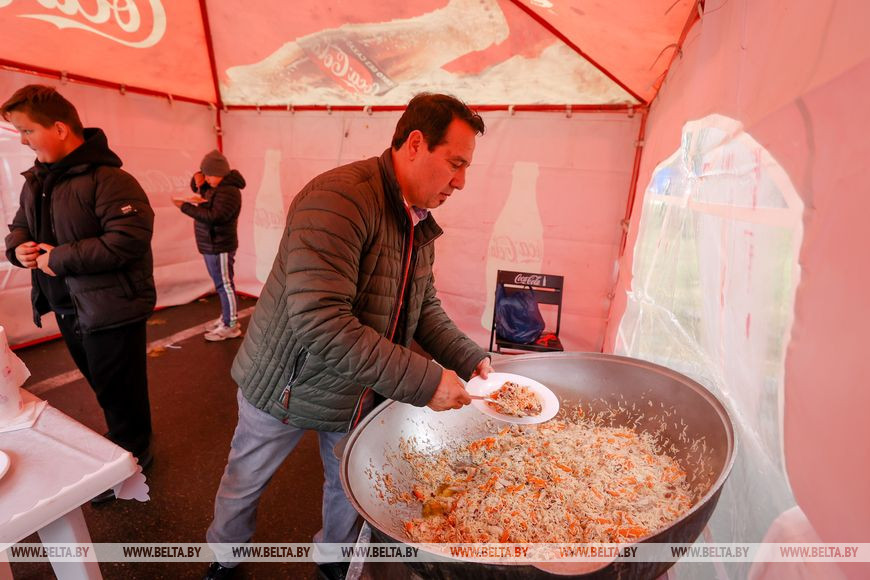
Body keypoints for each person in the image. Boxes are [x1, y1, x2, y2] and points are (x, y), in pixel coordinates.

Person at [204, 93, 493, 580]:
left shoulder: (417, 220)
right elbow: (321, 321)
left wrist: (470, 359)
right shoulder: (338, 200)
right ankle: (225, 555)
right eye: (456, 163)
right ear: (415, 144)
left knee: (347, 484)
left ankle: (334, 560)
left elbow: (423, 306)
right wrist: (426, 381)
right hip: (286, 383)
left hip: (358, 386)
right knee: (245, 478)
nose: (461, 182)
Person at [2, 85, 155, 503]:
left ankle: (133, 458)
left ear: (59, 128)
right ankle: (127, 442)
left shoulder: (112, 180)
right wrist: (19, 248)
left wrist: (61, 258)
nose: (23, 141)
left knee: (120, 391)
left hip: (111, 309)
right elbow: (19, 226)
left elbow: (128, 240)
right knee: (106, 387)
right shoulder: (37, 180)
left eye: (27, 131)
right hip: (69, 308)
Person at [174, 150, 245, 341]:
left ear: (220, 173)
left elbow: (215, 217)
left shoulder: (229, 191)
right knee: (222, 283)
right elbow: (200, 189)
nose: (206, 179)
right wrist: (197, 178)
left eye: (209, 175)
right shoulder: (217, 186)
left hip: (220, 245)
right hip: (212, 244)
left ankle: (230, 325)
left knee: (224, 285)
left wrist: (184, 207)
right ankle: (227, 318)